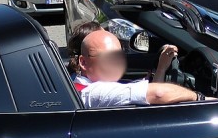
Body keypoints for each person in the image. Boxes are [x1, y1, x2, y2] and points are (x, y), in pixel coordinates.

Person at [72, 27, 206, 107]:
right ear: (83, 62)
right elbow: (158, 94)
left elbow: (149, 99)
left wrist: (161, 68)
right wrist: (200, 98)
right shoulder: (95, 92)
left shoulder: (80, 85)